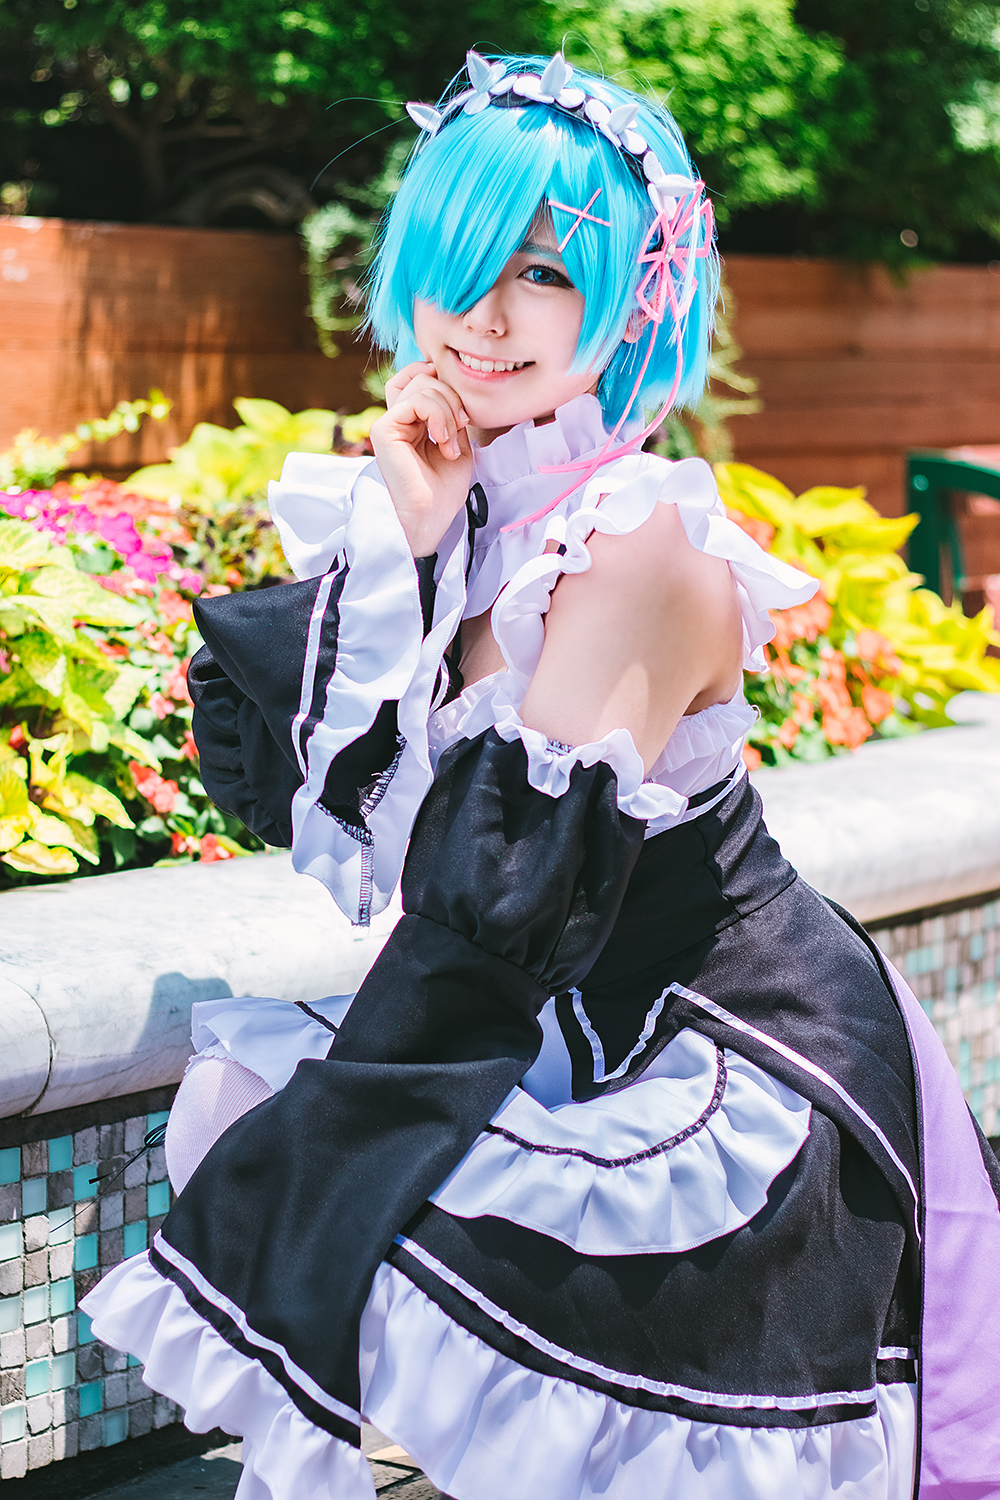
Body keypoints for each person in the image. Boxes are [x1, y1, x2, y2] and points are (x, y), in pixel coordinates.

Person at [83, 51, 1000, 1500]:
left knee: (321, 1171)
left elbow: (494, 904)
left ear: (637, 299)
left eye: (546, 274)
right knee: (253, 1101)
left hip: (724, 1052)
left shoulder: (637, 541)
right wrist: (410, 533)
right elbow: (300, 790)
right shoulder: (474, 508)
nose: (486, 318)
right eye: (462, 264)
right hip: (561, 1021)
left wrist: (317, 1182)